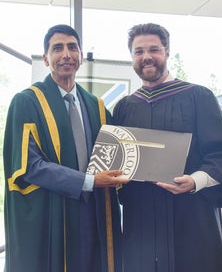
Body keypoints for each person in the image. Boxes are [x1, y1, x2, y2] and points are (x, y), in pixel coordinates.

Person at [113, 23, 222, 272]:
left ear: (167, 52)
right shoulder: (124, 107)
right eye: (138, 52)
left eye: (154, 49)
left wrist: (195, 181)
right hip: (141, 221)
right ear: (132, 57)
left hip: (191, 216)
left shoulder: (198, 97)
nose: (146, 57)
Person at [3, 24, 128, 272]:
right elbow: (29, 166)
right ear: (46, 58)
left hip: (93, 214)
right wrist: (89, 180)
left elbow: (116, 155)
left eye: (72, 47)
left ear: (81, 56)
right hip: (52, 214)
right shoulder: (27, 102)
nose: (66, 54)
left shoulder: (97, 107)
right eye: (57, 48)